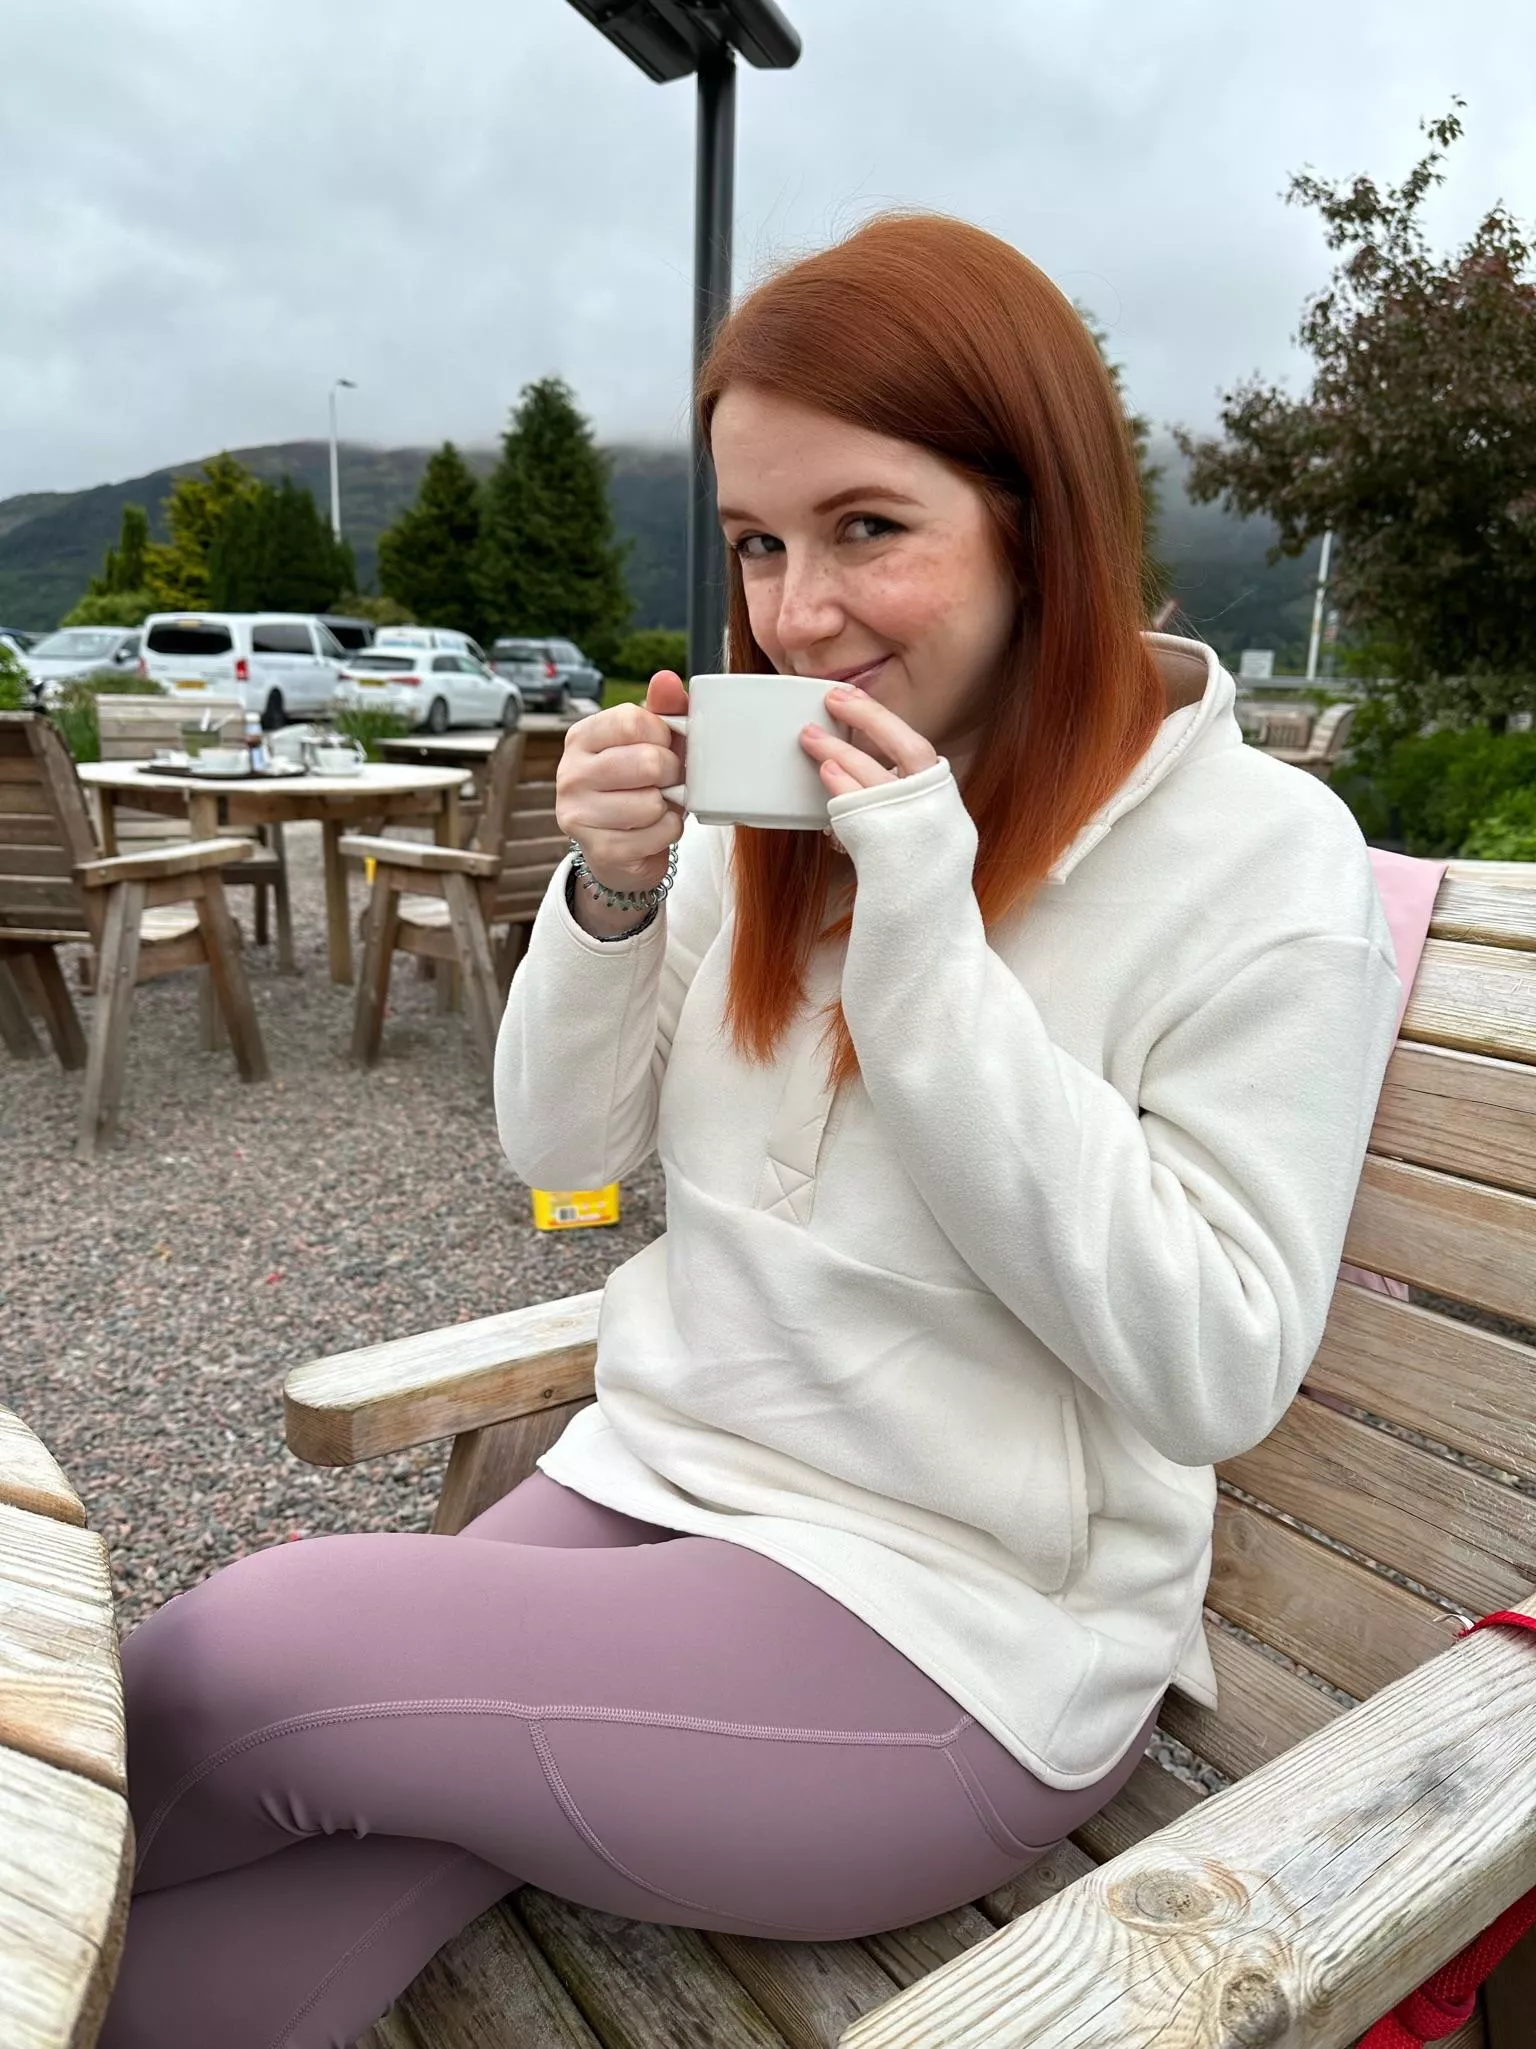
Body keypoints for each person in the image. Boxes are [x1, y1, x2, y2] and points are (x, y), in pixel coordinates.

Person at [100, 215, 1402, 2049]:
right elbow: (561, 1155)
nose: (797, 614)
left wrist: (928, 946)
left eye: (868, 528)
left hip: (960, 1628)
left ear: (1042, 520)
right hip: (656, 1483)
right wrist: (613, 898)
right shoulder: (769, 799)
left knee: (235, 1669)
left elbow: (1218, 1370)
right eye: (759, 543)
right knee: (234, 1901)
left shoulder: (1260, 863)